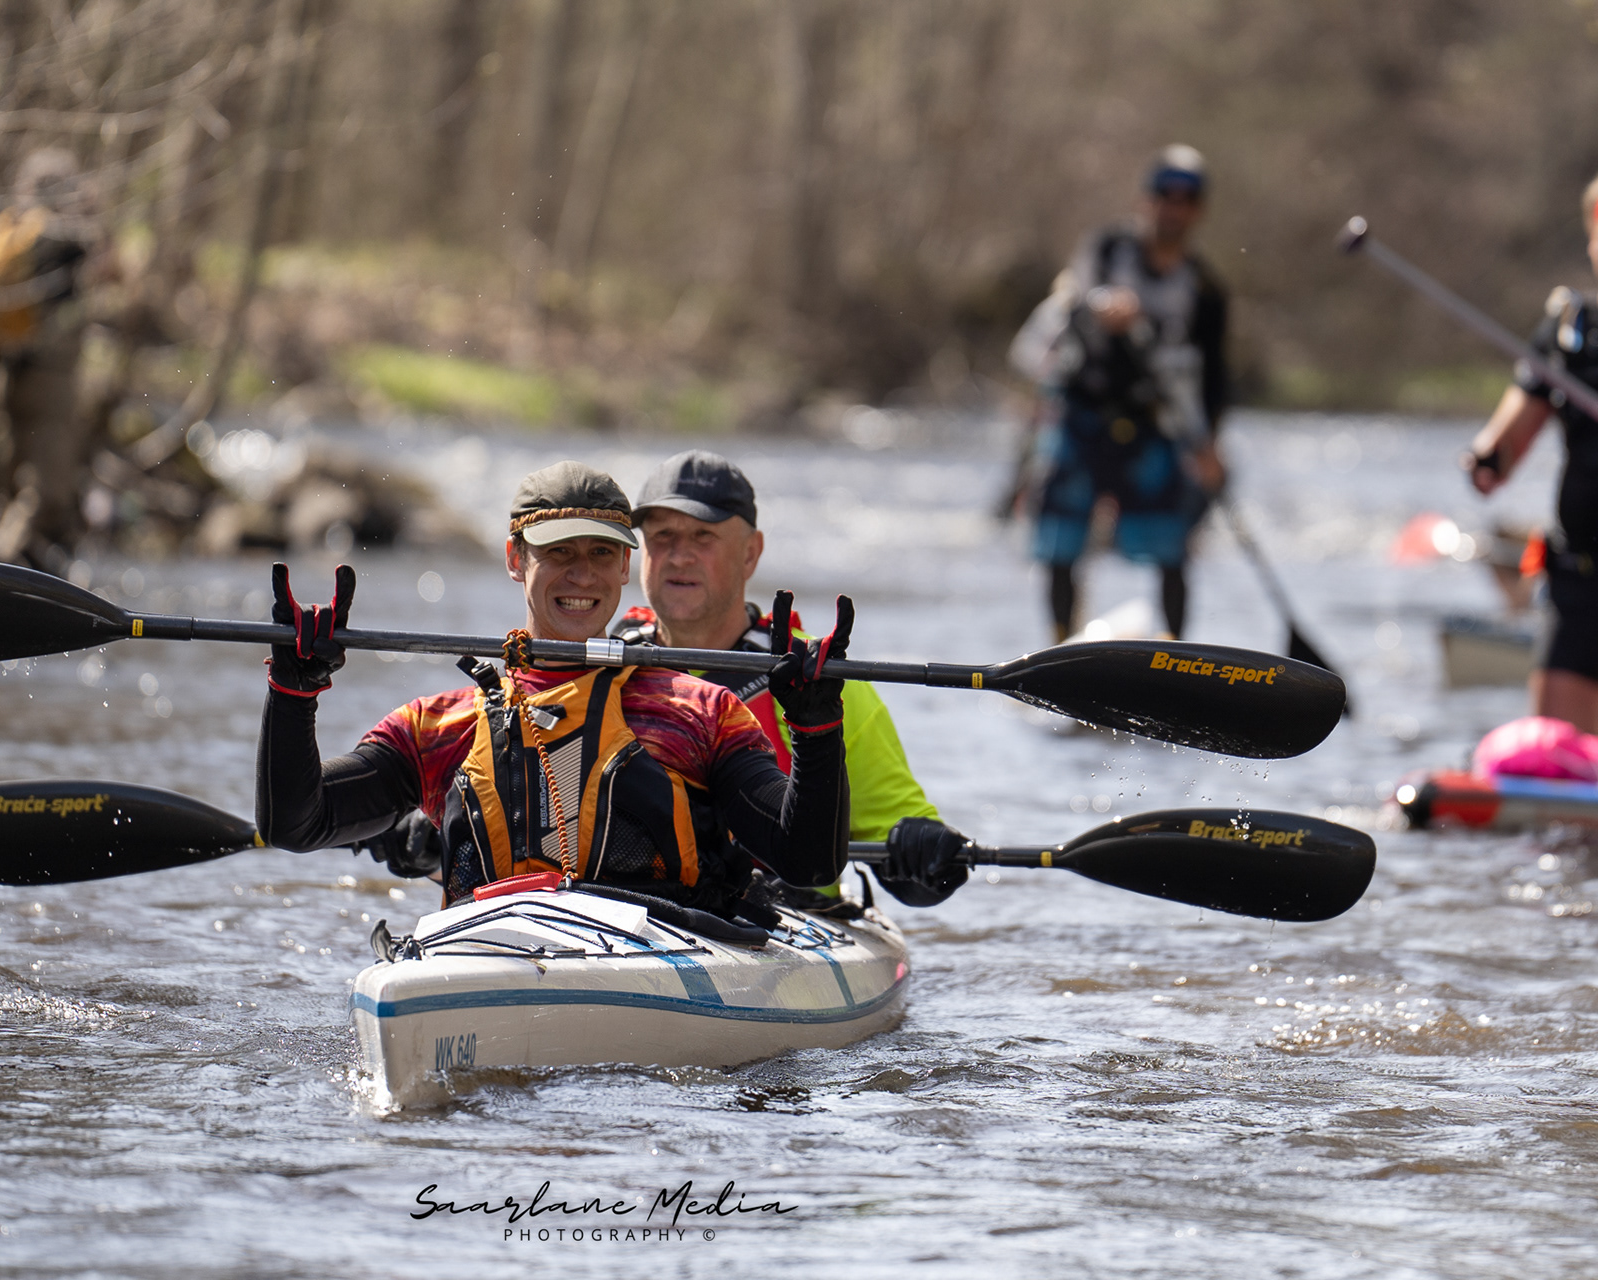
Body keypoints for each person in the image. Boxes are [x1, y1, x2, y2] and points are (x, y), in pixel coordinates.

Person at [256, 461, 852, 912]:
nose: (582, 574)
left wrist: (815, 730)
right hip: (491, 965)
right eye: (559, 551)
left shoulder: (698, 712)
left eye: (602, 553)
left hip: (659, 978)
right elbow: (296, 825)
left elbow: (808, 862)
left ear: (625, 566)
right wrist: (293, 693)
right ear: (516, 558)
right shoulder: (438, 727)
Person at [608, 449, 971, 908]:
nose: (680, 556)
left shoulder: (819, 682)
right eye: (663, 536)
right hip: (631, 910)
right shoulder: (602, 664)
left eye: (703, 536)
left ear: (751, 553)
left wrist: (925, 854)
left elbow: (913, 879)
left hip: (786, 914)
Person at [1009, 143, 1229, 642]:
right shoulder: (1107, 249)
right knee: (1061, 541)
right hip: (1082, 415)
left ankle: (1177, 653)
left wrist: (1210, 443)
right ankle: (1059, 642)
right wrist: (1104, 304)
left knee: (1172, 546)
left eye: (1186, 199)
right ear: (1145, 200)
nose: (1173, 208)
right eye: (1164, 195)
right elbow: (1084, 287)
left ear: (1198, 210)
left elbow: (1215, 377)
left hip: (1152, 424)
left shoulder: (1205, 290)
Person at [1465, 173, 1598, 732]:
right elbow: (1504, 447)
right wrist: (1487, 459)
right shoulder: (1570, 332)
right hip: (1581, 579)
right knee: (1557, 751)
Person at [0, 148, 112, 564]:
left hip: (1, 371)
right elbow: (109, 268)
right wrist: (92, 214)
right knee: (47, 493)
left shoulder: (9, 231)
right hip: (47, 383)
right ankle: (2, 567)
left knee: (9, 482)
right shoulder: (64, 237)